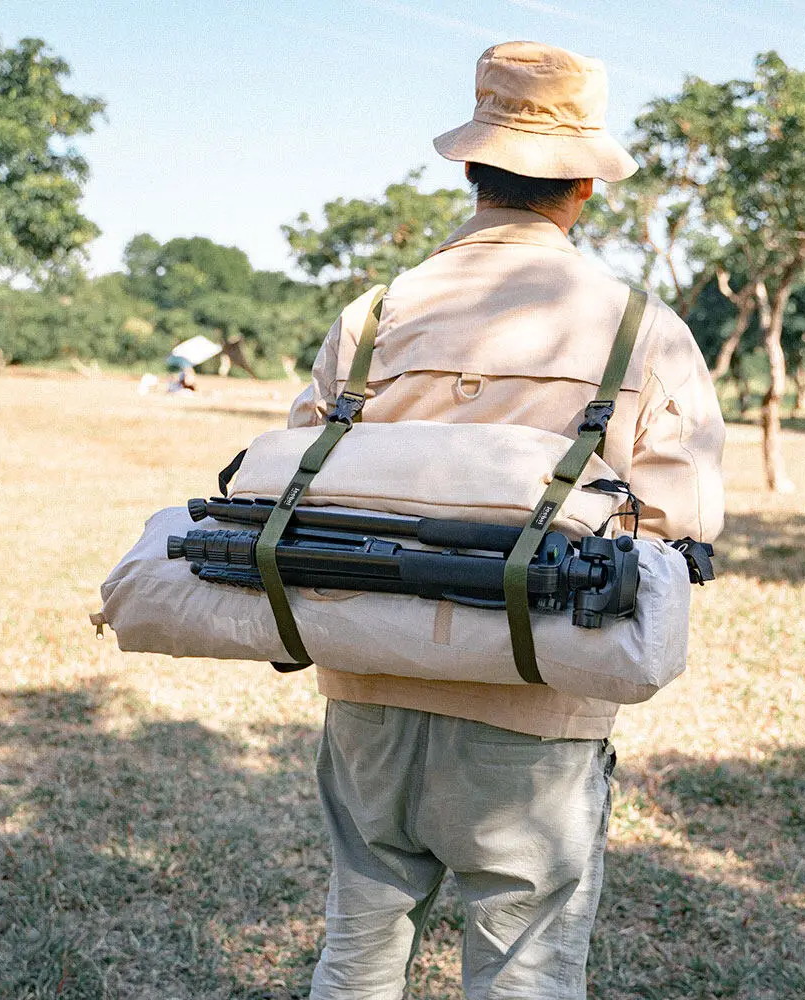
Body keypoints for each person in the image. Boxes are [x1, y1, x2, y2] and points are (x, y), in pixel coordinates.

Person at [288, 40, 725, 999]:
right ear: (585, 184)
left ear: (473, 167)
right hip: (537, 698)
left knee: (356, 950)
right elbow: (679, 527)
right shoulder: (635, 326)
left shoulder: (372, 316)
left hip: (366, 680)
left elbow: (302, 484)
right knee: (524, 968)